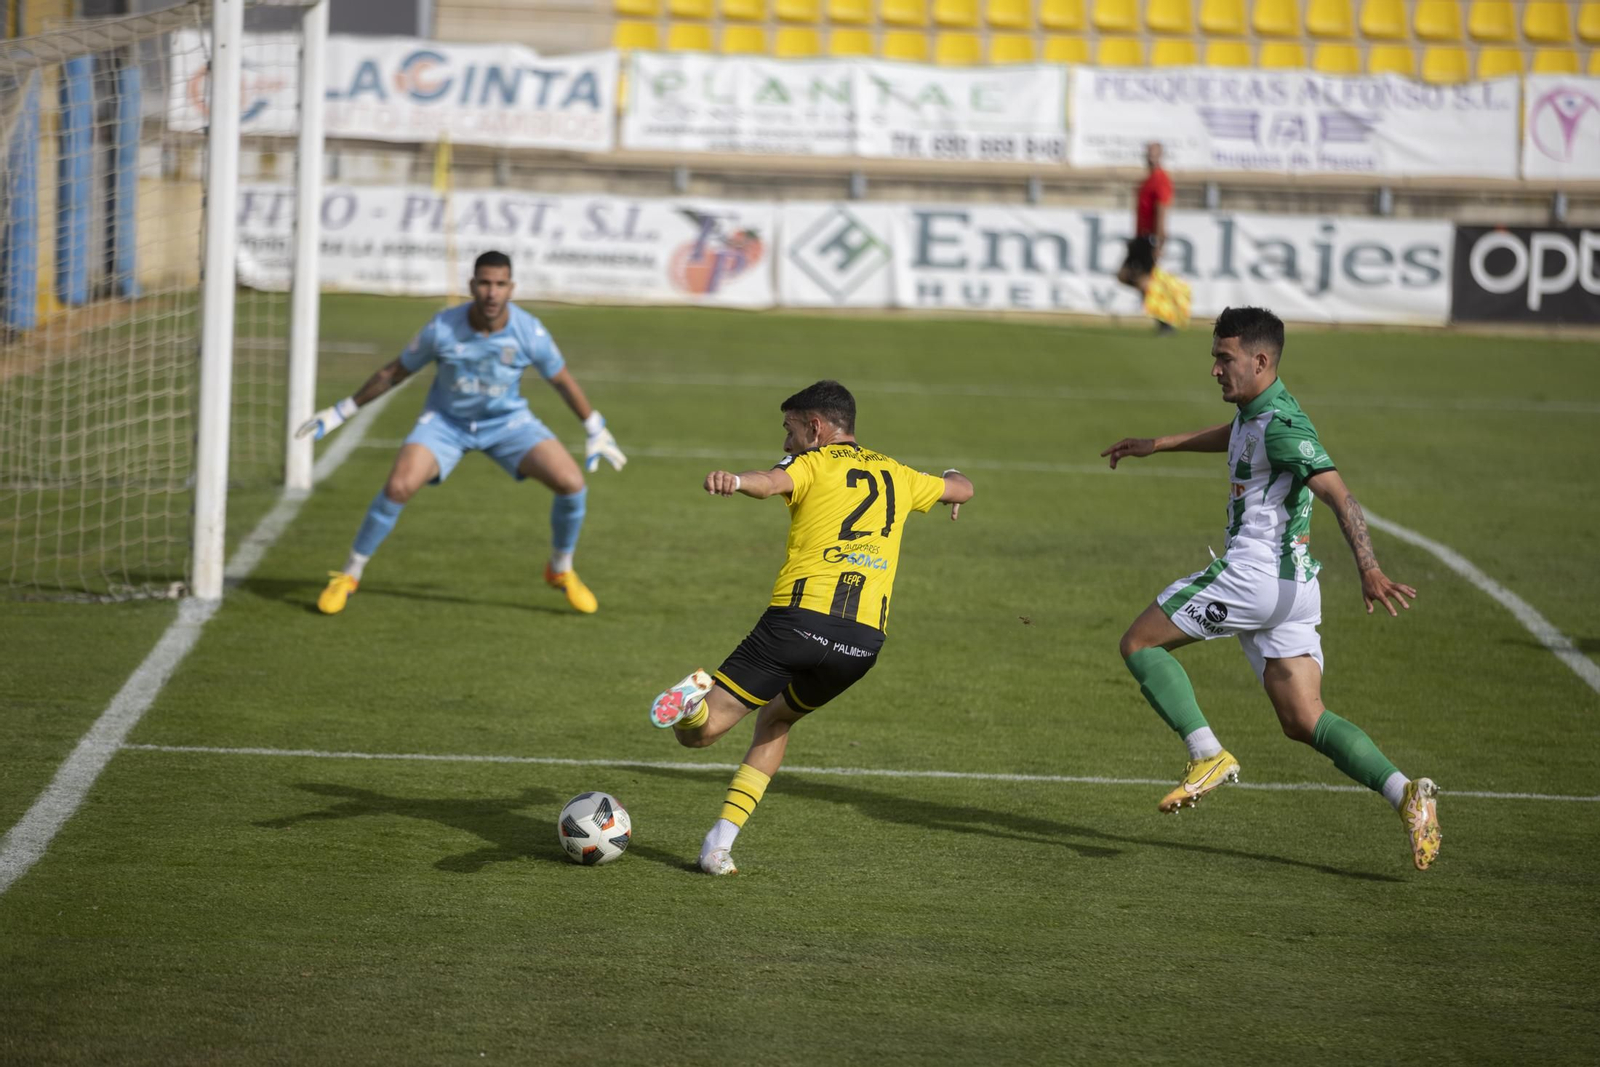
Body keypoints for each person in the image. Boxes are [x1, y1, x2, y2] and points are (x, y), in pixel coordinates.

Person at [1099, 306, 1441, 871]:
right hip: (1295, 588)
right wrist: (1156, 443)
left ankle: (1206, 753)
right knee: (1303, 720)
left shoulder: (1284, 425)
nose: (1214, 368)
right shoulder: (1256, 414)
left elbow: (1339, 494)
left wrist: (1370, 566)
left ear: (1260, 360)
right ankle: (1406, 793)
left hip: (1254, 575)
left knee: (1139, 643)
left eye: (1223, 357)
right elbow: (1235, 437)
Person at [645, 380, 974, 876]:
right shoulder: (900, 474)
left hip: (796, 625)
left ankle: (689, 708)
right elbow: (963, 488)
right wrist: (950, 474)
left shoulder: (811, 462)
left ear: (816, 428)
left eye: (790, 431)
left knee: (701, 734)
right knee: (777, 720)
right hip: (861, 645)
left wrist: (734, 481)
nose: (785, 444)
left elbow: (768, 481)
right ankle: (719, 846)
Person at [296, 251, 625, 616]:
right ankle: (349, 574)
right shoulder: (442, 328)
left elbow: (561, 380)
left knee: (571, 483)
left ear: (511, 288)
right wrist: (341, 411)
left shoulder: (529, 331)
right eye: (484, 283)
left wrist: (596, 429)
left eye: (500, 284)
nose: (491, 292)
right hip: (445, 424)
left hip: (507, 423)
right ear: (472, 285)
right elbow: (395, 372)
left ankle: (560, 569)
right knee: (398, 486)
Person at [1116, 141, 1181, 333]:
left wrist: (1159, 241)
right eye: (1148, 153)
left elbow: (1161, 210)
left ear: (1161, 155)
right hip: (1140, 237)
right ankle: (1163, 311)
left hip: (1149, 238)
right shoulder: (1148, 180)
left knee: (1144, 279)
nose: (1150, 157)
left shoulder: (1161, 180)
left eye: (1154, 154)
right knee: (1125, 275)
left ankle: (1165, 317)